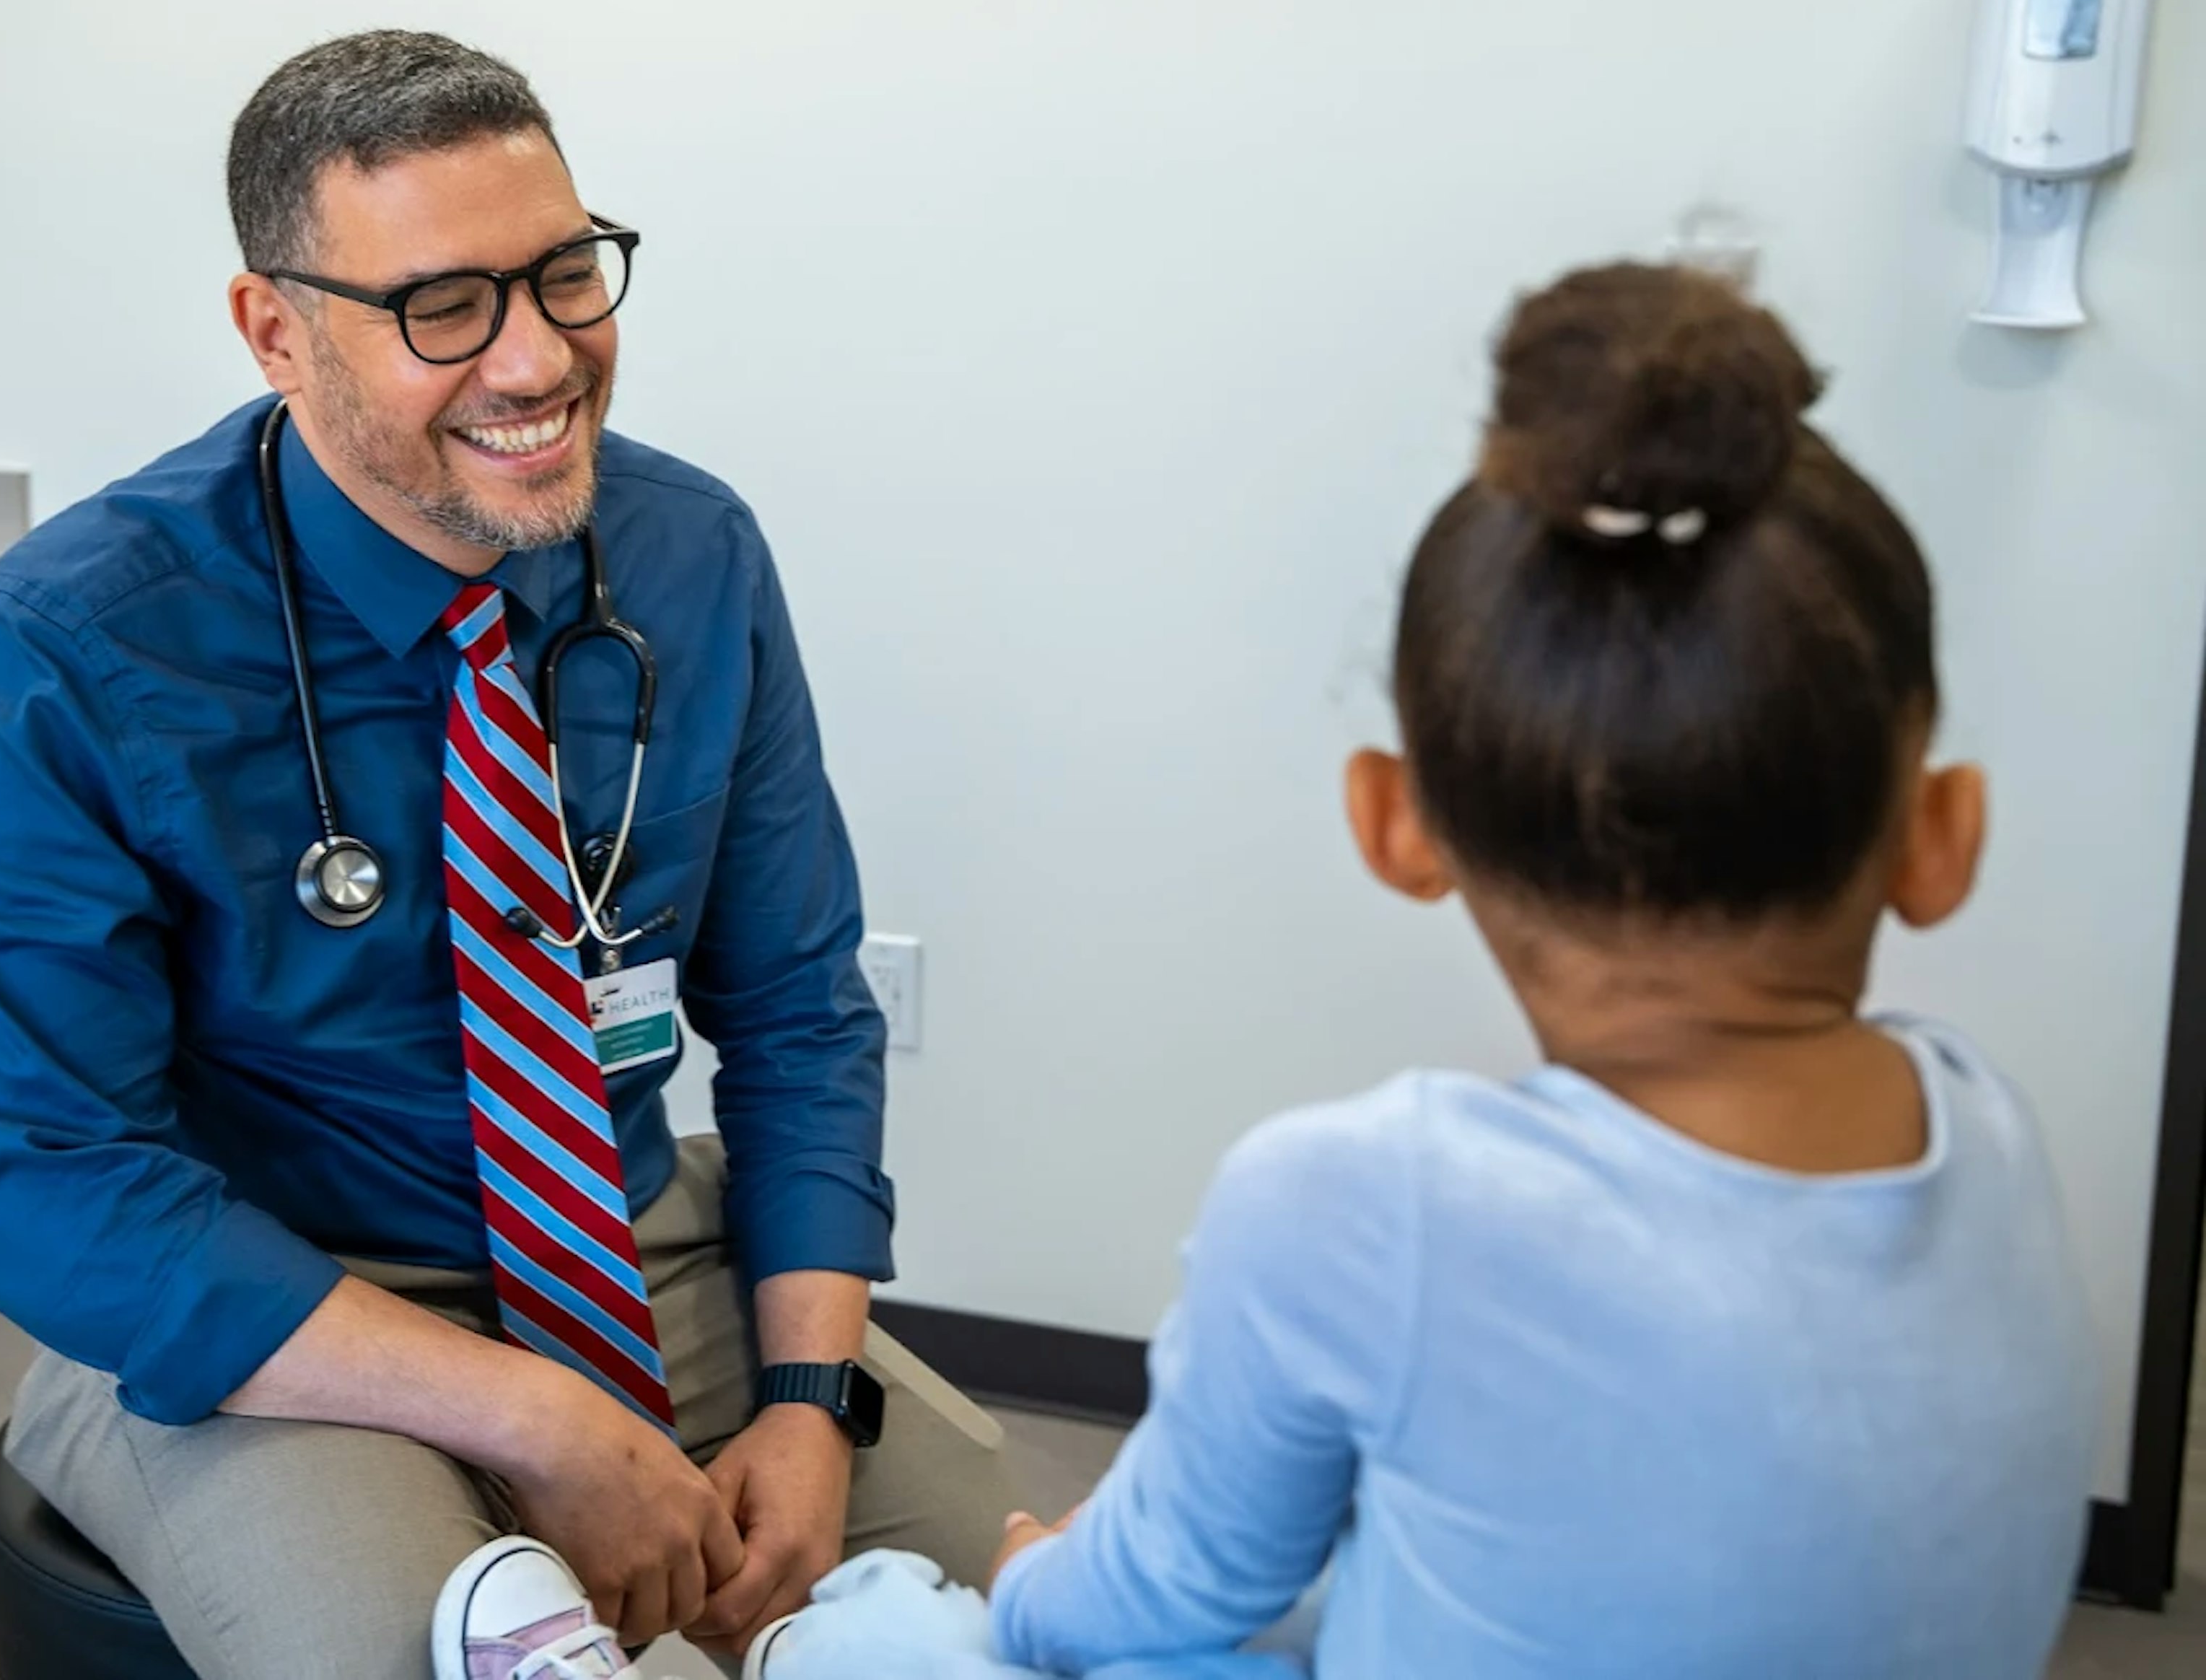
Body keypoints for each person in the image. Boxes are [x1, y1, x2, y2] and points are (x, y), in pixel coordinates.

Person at [745, 263, 2101, 1678]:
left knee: (879, 1630)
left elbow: (1134, 1604)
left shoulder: (1373, 1203)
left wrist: (1022, 1580)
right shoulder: (1986, 1125)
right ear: (1943, 836)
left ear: (1394, 822)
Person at [0, 29, 1016, 1680]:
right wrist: (538, 1417)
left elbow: (797, 1009)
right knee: (407, 1659)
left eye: (566, 273)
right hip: (270, 1309)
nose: (537, 359)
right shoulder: (77, 639)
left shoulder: (691, 555)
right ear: (276, 332)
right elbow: (54, 1176)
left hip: (633, 1235)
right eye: (444, 306)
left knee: (1036, 1618)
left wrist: (807, 1397)